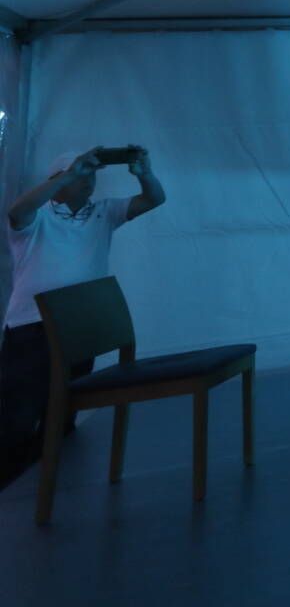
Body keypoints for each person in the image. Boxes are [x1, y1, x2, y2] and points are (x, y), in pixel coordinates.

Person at [1, 147, 167, 482]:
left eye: (91, 174)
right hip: (30, 329)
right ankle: (8, 491)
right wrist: (71, 172)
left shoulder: (104, 212)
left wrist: (144, 173)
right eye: (81, 174)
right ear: (58, 179)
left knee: (61, 415)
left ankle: (45, 492)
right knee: (15, 418)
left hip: (78, 329)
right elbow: (17, 211)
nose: (88, 180)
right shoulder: (39, 216)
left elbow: (153, 199)